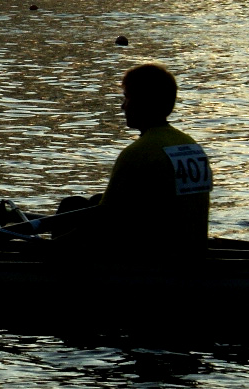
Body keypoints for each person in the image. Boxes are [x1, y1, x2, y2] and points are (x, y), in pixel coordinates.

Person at [68, 62, 212, 255]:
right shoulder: (191, 145)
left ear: (143, 102)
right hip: (193, 250)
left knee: (71, 206)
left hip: (153, 260)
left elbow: (104, 219)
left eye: (127, 98)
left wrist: (50, 247)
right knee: (92, 202)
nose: (122, 106)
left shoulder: (138, 152)